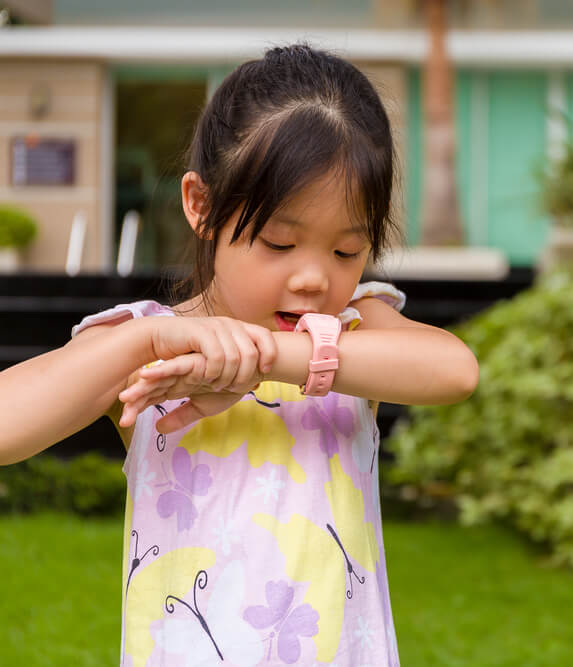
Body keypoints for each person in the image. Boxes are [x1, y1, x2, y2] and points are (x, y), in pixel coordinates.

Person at [0, 44, 478, 666]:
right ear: (201, 205)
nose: (313, 279)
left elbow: (455, 370)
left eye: (346, 251)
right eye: (280, 242)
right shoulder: (152, 344)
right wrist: (146, 342)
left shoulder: (355, 326)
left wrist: (265, 356)